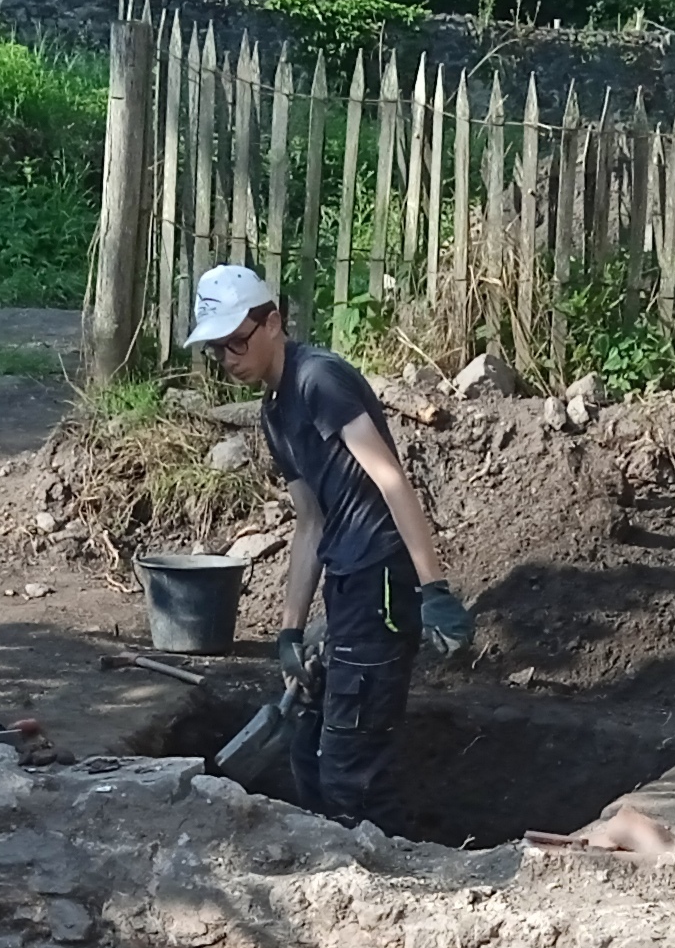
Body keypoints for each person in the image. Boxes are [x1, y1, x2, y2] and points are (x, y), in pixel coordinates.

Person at [186, 263, 471, 827]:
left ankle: (395, 880)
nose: (229, 358)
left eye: (237, 342)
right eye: (217, 349)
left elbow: (391, 480)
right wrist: (290, 629)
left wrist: (433, 588)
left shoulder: (320, 380)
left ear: (273, 322)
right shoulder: (273, 411)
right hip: (346, 580)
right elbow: (309, 521)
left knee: (350, 770)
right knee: (308, 758)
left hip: (382, 578)